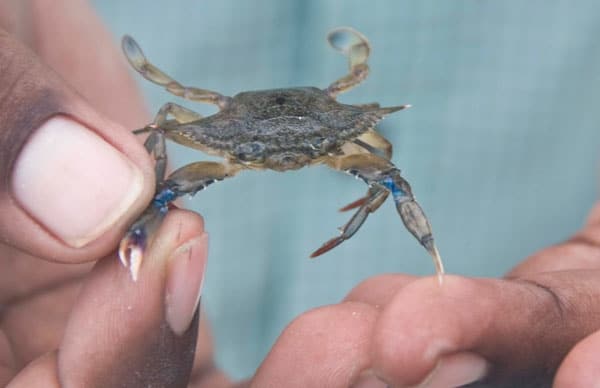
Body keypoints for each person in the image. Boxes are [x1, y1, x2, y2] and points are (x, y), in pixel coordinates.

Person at [1, 1, 599, 387]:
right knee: (158, 194)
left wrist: (362, 203)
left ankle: (434, 266)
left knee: (389, 180)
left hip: (509, 343)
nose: (286, 157)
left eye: (302, 149)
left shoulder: (350, 129)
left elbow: (385, 161)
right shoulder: (218, 130)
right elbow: (162, 94)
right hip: (46, 299)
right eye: (272, 152)